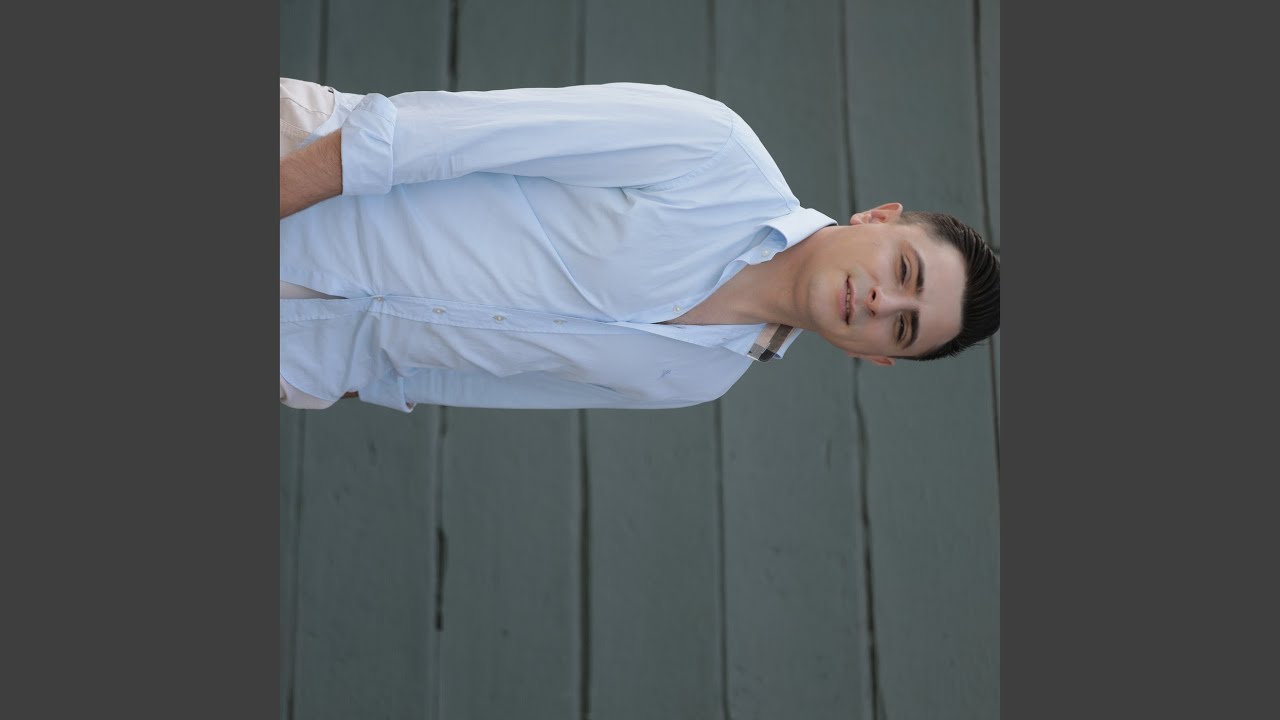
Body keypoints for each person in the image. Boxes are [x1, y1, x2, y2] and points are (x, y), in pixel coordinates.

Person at [279, 77, 999, 413]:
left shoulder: (697, 381)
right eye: (904, 270)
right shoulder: (714, 151)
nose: (880, 301)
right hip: (296, 174)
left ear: (874, 357)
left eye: (901, 327)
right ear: (878, 218)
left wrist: (330, 381)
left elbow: (480, 383)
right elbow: (446, 132)